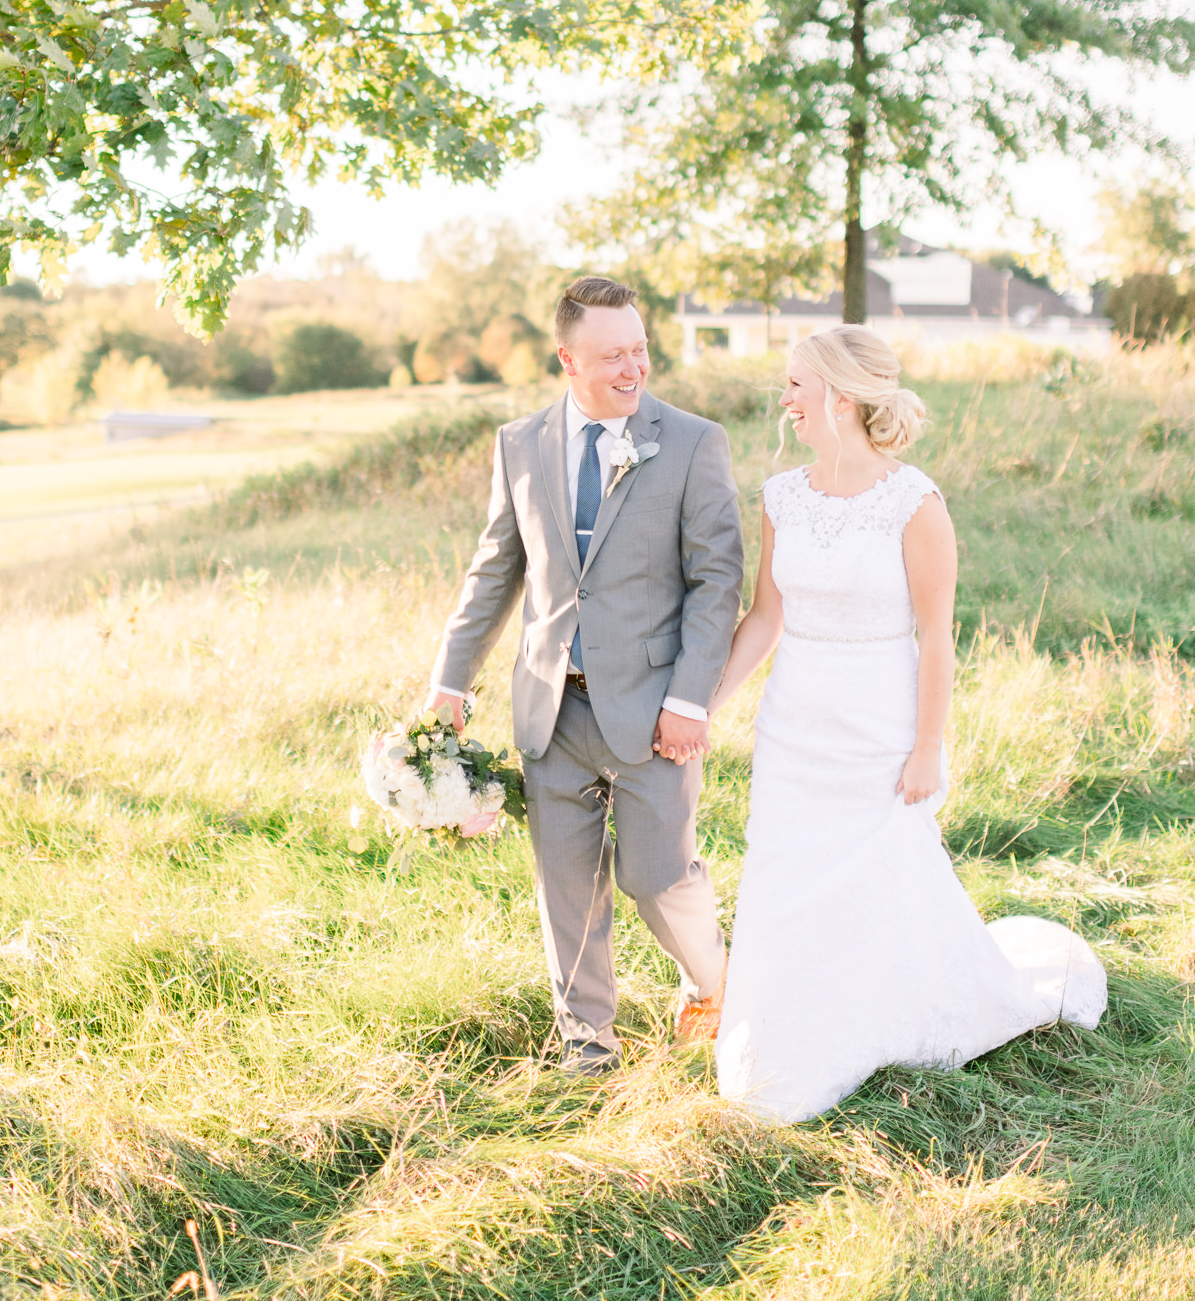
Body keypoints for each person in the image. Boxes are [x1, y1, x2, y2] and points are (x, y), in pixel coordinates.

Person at [711, 324, 1106, 1123]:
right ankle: (785, 1040)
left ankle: (890, 1015)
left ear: (841, 395)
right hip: (794, 727)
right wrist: (703, 706)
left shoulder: (913, 501)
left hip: (880, 726)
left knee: (879, 876)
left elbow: (936, 636)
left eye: (796, 383)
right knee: (785, 878)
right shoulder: (782, 496)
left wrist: (929, 745)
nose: (785, 398)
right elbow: (764, 618)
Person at [428, 275, 744, 1074]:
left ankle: (720, 982)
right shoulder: (520, 443)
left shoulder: (693, 441)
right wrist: (450, 682)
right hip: (551, 708)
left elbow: (717, 582)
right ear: (566, 358)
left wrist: (689, 699)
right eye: (612, 356)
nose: (632, 368)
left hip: (653, 710)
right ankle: (587, 1051)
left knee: (657, 875)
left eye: (639, 350)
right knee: (567, 890)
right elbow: (494, 571)